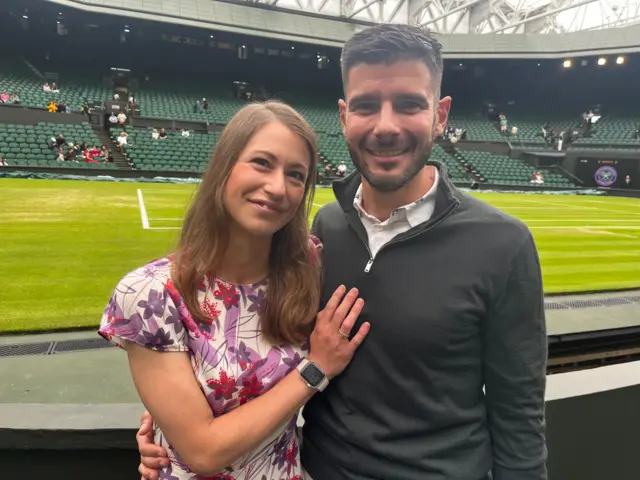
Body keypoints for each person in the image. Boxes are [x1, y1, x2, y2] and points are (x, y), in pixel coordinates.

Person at [138, 24, 548, 480]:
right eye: (367, 105)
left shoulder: (503, 244)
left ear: (440, 114)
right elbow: (257, 351)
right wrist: (169, 430)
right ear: (344, 116)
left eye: (409, 104)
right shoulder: (323, 230)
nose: (386, 126)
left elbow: (520, 418)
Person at [98, 101, 370, 479]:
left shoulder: (305, 265)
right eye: (261, 162)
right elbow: (204, 453)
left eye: (295, 175)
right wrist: (316, 368)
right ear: (224, 166)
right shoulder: (150, 294)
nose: (277, 187)